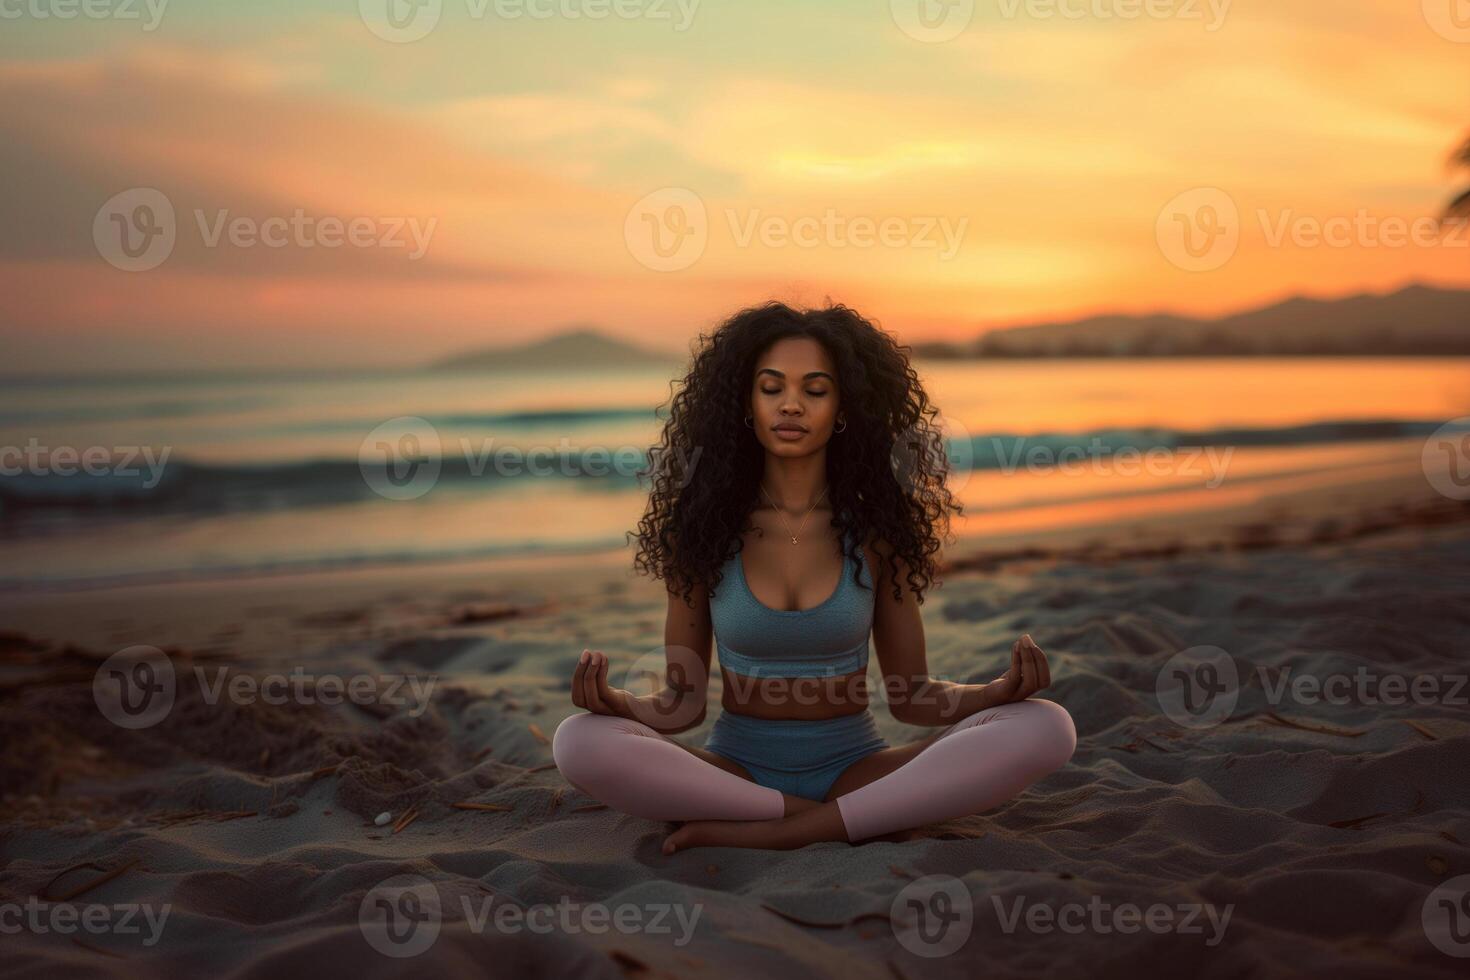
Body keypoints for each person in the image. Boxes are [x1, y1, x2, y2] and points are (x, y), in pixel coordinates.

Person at [552, 302, 1076, 853]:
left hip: (855, 768)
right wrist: (618, 704)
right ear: (746, 406)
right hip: (735, 773)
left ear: (843, 408)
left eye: (816, 390)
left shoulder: (876, 534)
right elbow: (682, 703)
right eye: (771, 388)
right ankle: (829, 819)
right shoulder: (702, 531)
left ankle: (789, 829)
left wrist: (998, 692)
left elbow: (911, 696)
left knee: (1045, 725)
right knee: (580, 740)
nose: (792, 405)